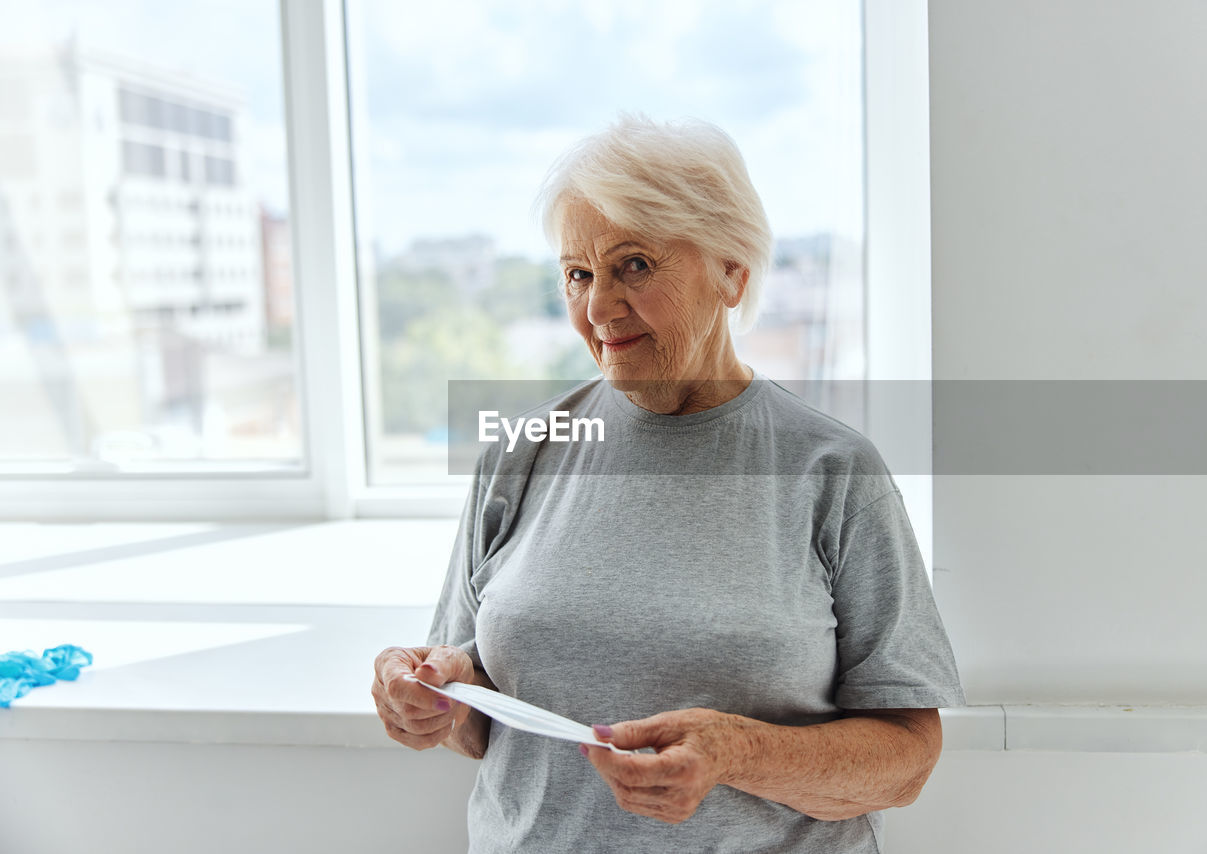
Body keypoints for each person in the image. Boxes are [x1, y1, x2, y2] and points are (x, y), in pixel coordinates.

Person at [372, 115, 964, 853]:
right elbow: (476, 719)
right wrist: (432, 701)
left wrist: (738, 752)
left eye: (635, 266)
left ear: (732, 271)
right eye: (578, 274)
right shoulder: (523, 453)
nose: (598, 309)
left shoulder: (833, 472)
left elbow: (906, 760)